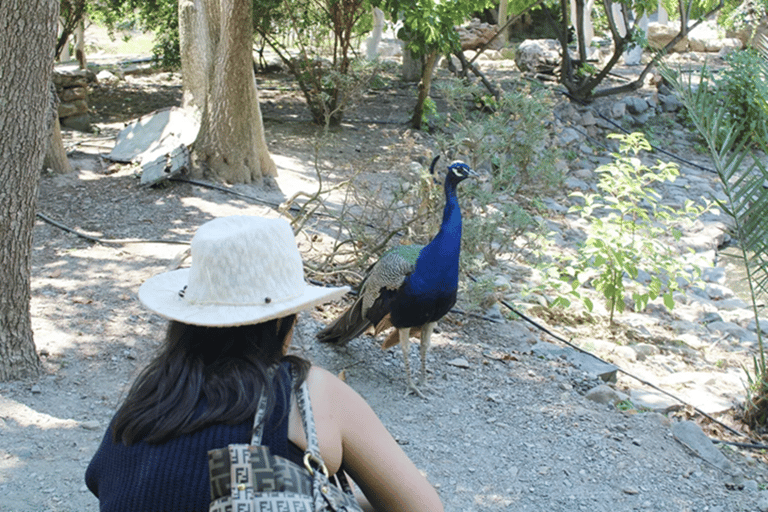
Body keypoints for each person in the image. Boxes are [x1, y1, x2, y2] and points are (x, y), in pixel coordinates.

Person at [85, 215, 444, 512]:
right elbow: (423, 509)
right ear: (282, 322)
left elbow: (108, 483)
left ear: (186, 321)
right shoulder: (310, 393)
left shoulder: (145, 399)